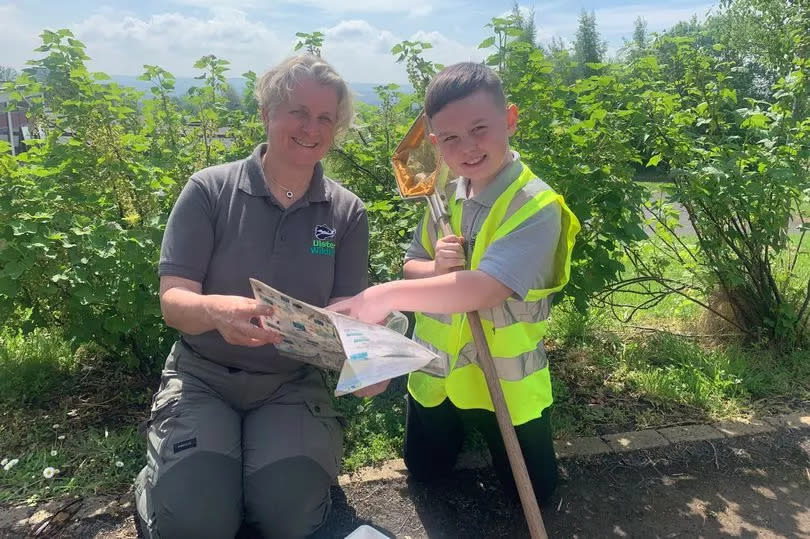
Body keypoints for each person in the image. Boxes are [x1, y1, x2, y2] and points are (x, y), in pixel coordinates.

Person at [135, 55, 376, 539]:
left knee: (290, 518)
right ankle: (159, 486)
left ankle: (249, 477)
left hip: (291, 383)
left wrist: (369, 364)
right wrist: (213, 310)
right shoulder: (209, 189)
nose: (311, 127)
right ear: (267, 113)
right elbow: (173, 301)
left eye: (325, 117)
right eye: (298, 111)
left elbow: (352, 311)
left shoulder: (346, 212)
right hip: (202, 375)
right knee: (197, 522)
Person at [330, 62, 580, 505]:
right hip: (437, 370)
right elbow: (413, 266)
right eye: (450, 138)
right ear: (434, 143)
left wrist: (379, 294)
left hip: (504, 383)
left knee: (534, 496)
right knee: (424, 472)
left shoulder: (537, 206)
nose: (467, 147)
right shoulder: (441, 195)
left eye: (480, 128)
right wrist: (437, 270)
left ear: (510, 119)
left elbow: (485, 288)